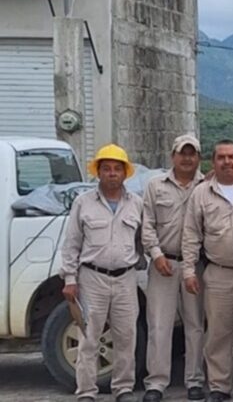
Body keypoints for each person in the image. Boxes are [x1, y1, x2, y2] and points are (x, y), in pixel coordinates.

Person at [60, 144, 142, 402]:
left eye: (117, 168)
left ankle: (123, 389)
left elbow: (142, 239)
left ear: (125, 173)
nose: (112, 173)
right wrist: (70, 279)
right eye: (106, 168)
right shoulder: (83, 203)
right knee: (89, 337)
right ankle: (86, 391)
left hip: (126, 279)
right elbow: (71, 243)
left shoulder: (137, 204)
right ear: (98, 172)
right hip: (92, 278)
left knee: (126, 337)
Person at [182, 140, 233, 402]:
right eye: (221, 157)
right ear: (212, 162)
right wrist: (188, 271)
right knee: (218, 333)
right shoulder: (201, 193)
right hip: (218, 272)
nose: (227, 162)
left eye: (231, 157)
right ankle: (219, 386)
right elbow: (191, 234)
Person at [141, 135, 207, 402]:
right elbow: (147, 224)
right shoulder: (155, 185)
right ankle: (156, 383)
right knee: (159, 325)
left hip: (197, 265)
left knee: (196, 325)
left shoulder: (207, 185)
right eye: (182, 153)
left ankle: (195, 380)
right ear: (173, 156)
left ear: (199, 158)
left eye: (192, 154)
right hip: (163, 264)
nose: (187, 158)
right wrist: (156, 255)